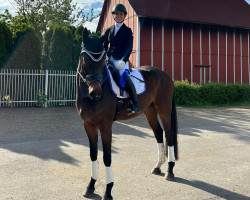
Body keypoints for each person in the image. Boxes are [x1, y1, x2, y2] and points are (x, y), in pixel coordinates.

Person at [100, 3, 140, 115]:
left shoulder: (127, 31)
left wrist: (123, 60)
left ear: (124, 16)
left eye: (121, 14)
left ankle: (135, 103)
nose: (118, 16)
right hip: (109, 59)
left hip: (120, 60)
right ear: (113, 15)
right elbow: (102, 41)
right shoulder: (109, 30)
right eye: (116, 14)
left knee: (123, 77)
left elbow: (129, 47)